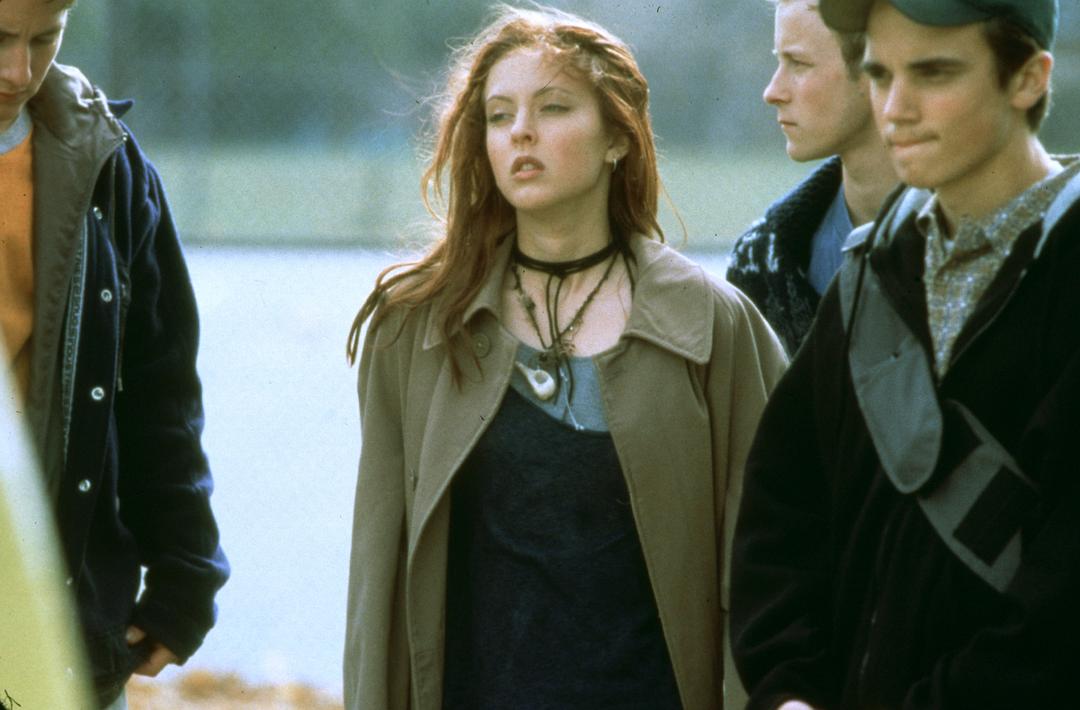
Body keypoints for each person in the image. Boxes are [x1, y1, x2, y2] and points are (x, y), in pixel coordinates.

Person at [343, 6, 787, 709]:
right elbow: (378, 580)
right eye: (499, 115)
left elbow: (770, 574)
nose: (521, 131)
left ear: (618, 137)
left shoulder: (713, 326)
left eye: (553, 108)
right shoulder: (417, 329)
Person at [730, 0, 1080, 708]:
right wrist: (789, 692)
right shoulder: (872, 271)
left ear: (1028, 79)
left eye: (934, 73)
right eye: (880, 74)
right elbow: (782, 516)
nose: (895, 107)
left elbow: (1056, 617)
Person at [0, 0, 229, 707]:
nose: (19, 71)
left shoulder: (108, 164)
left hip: (56, 621)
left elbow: (160, 388)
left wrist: (186, 572)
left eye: (45, 39)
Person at [726, 0, 896, 356]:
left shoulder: (974, 240)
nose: (772, 92)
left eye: (798, 64)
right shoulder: (760, 261)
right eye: (779, 61)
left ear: (875, 68)